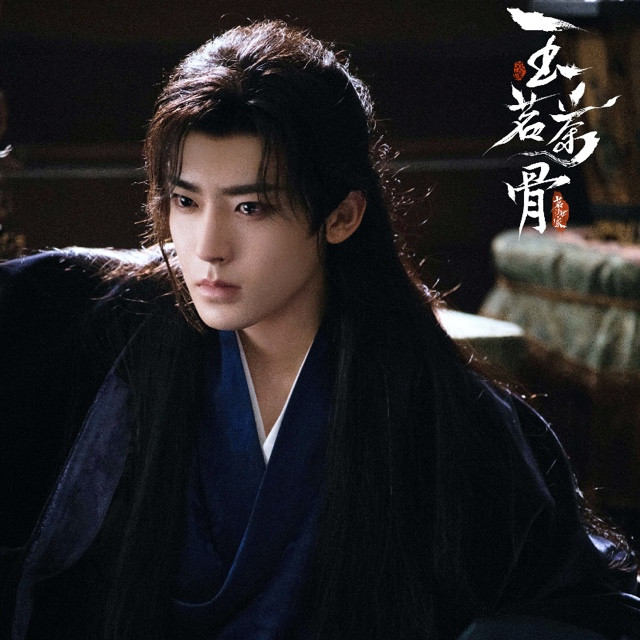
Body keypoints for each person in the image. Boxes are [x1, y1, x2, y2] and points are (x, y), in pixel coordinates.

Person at [1, 20, 639, 640]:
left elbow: (583, 601)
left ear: (342, 216)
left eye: (251, 207)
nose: (208, 247)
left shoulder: (438, 409)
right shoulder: (105, 324)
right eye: (186, 201)